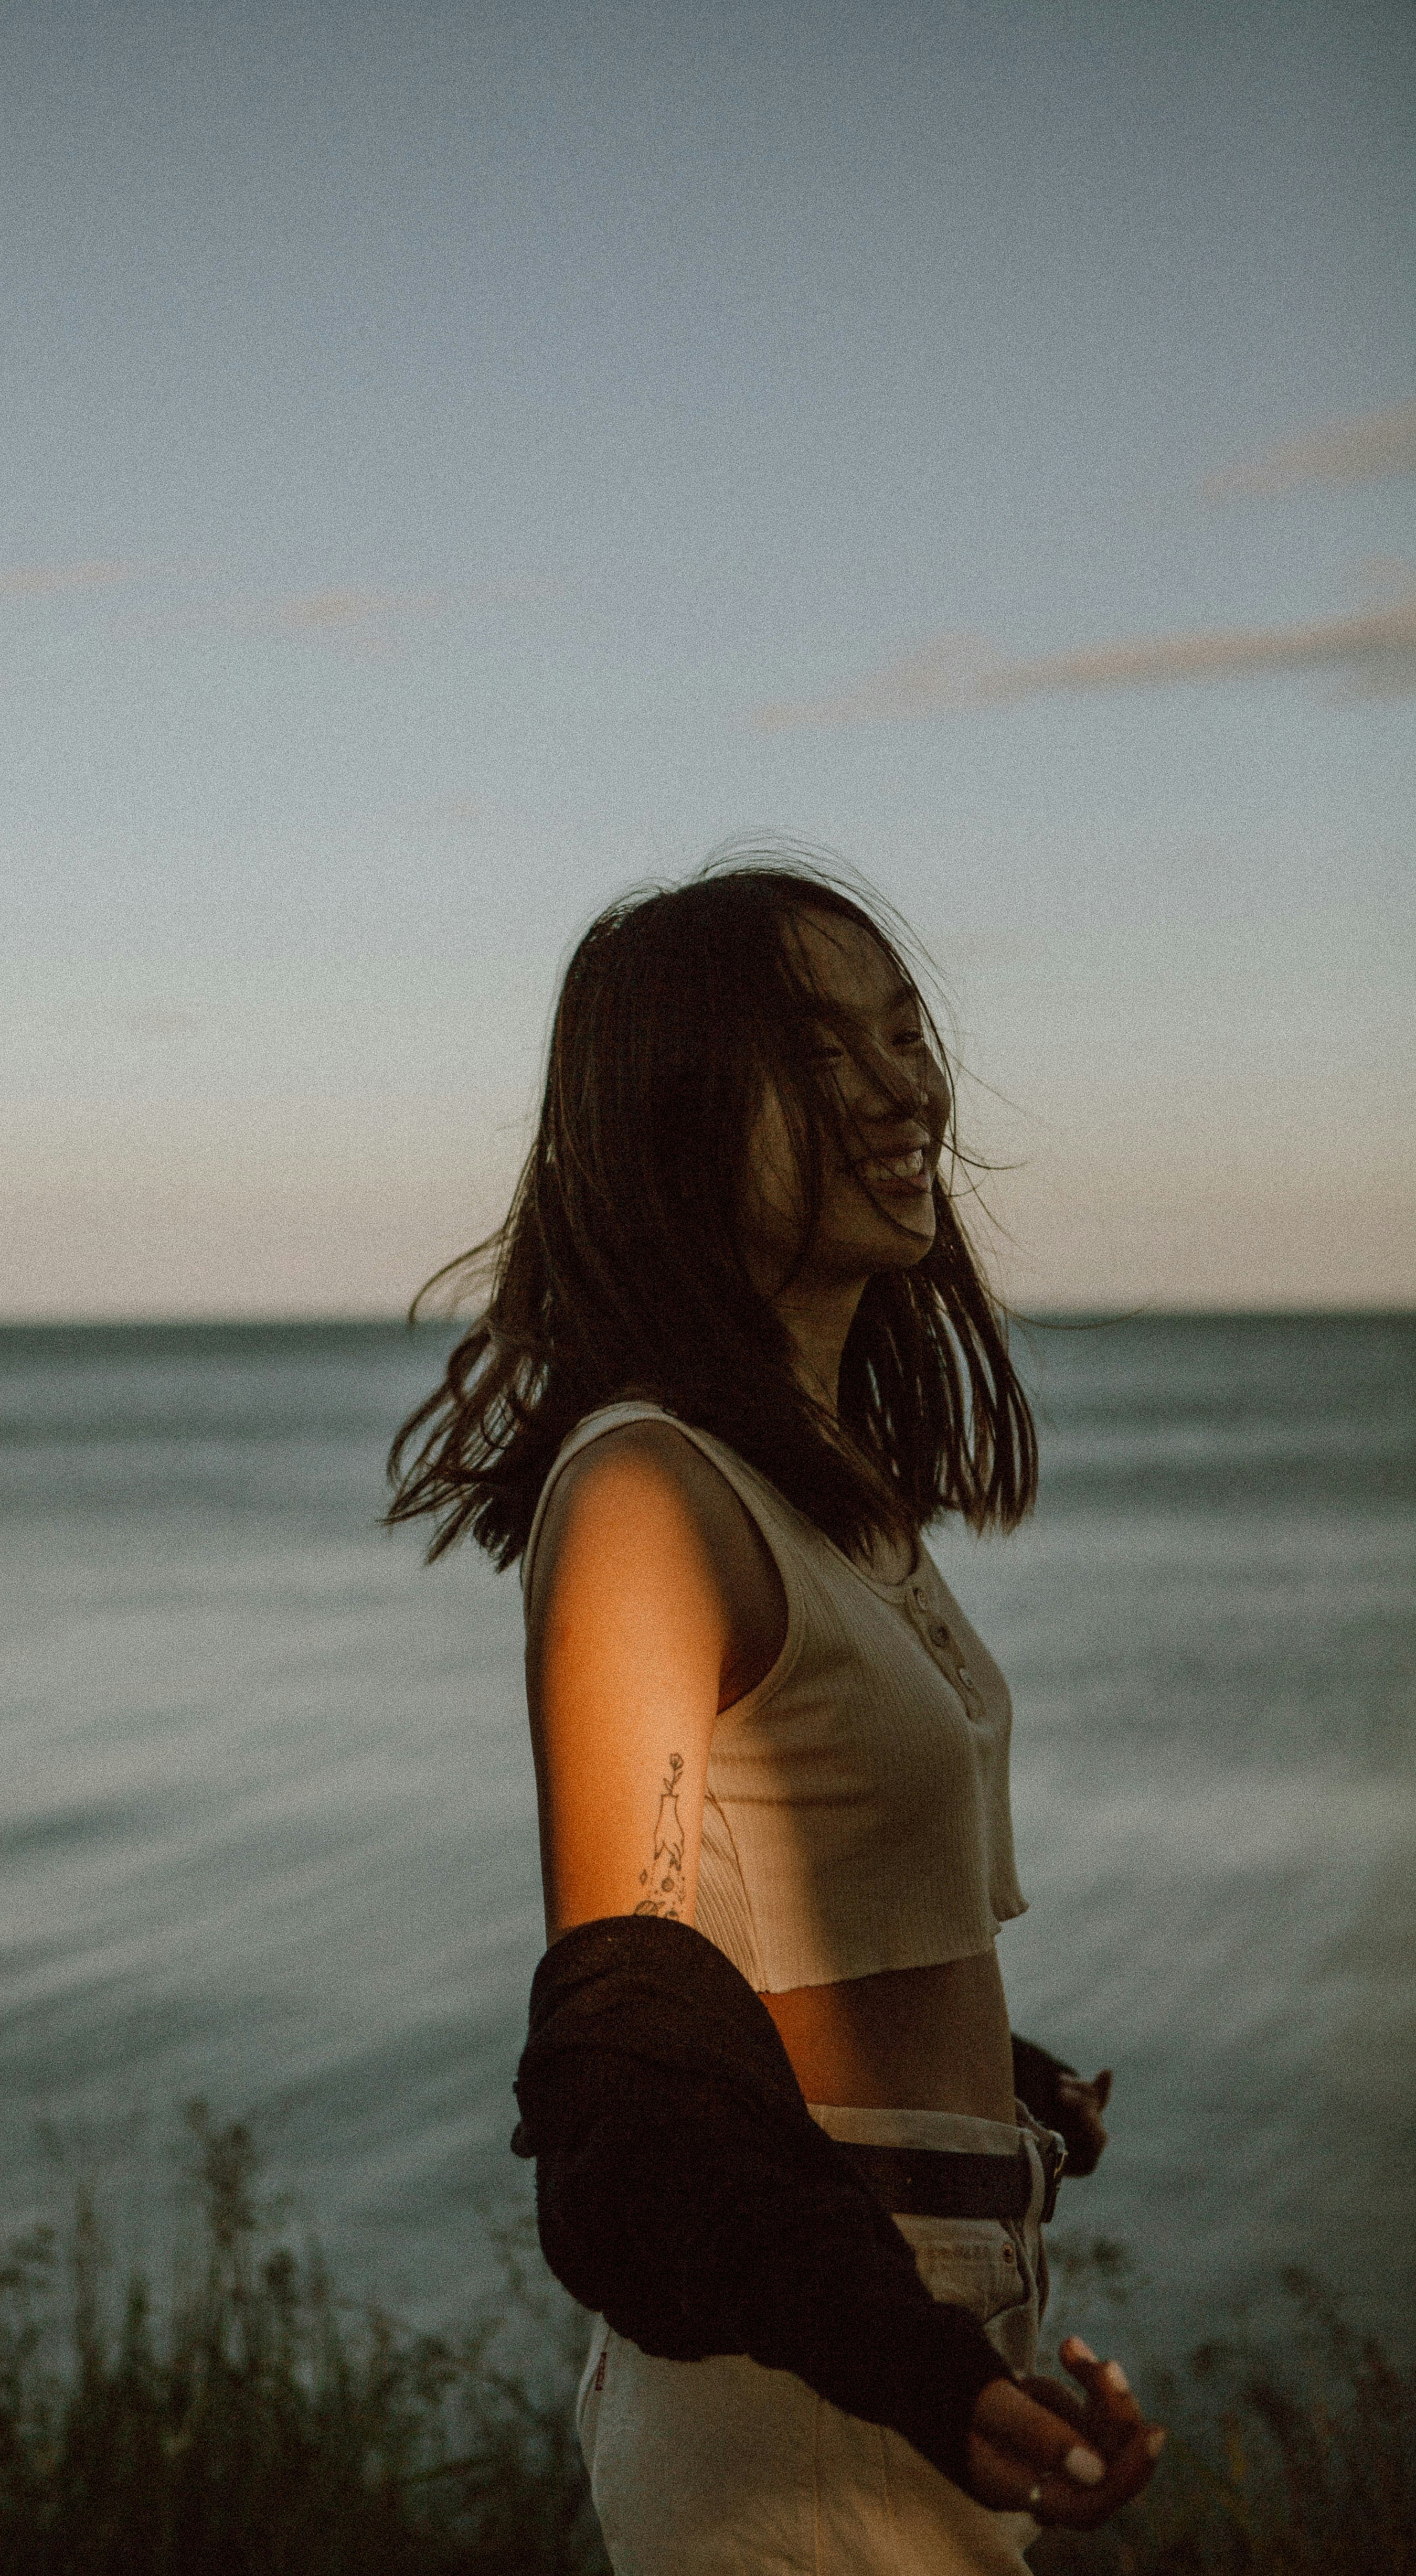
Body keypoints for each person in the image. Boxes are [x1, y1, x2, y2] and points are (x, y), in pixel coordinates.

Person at [388, 854, 1163, 2572]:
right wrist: (917, 2372)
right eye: (823, 1057)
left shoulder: (818, 1492)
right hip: (811, 2385)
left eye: (904, 1037)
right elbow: (629, 2073)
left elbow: (779, 1947)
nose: (903, 1093)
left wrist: (995, 2086)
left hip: (919, 2313)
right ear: (676, 1121)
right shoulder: (649, 1497)